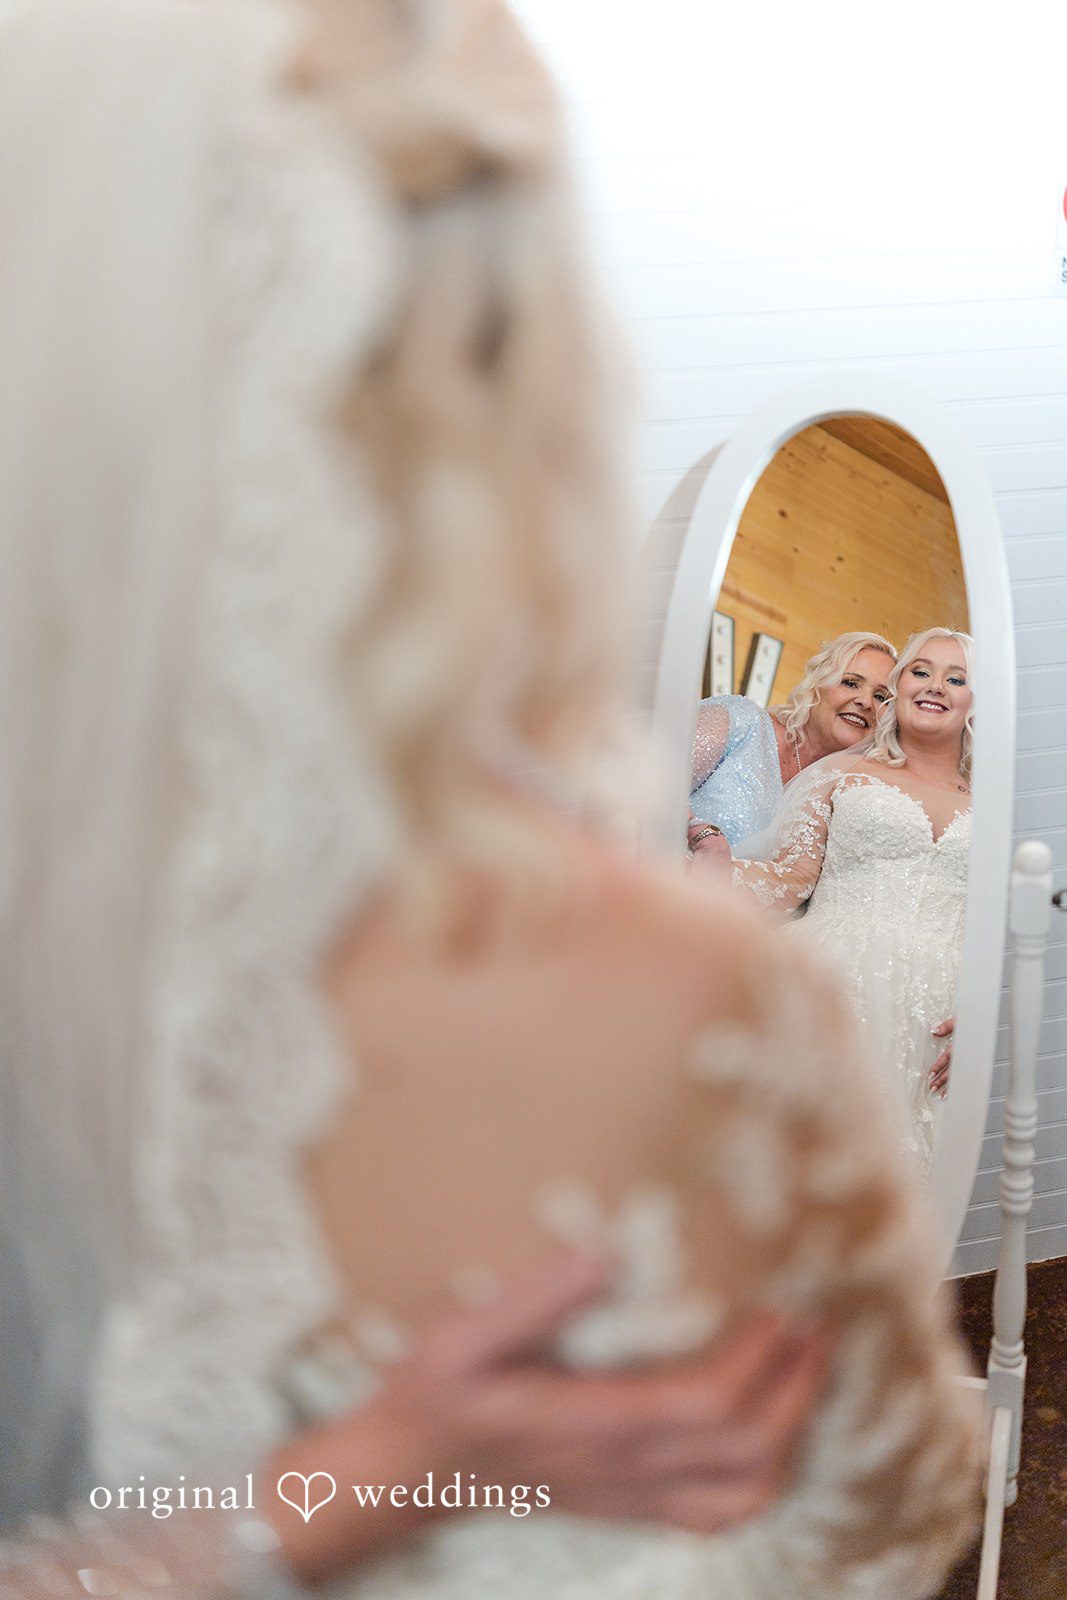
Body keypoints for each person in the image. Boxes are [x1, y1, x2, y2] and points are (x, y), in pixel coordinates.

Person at [0, 3, 981, 1597]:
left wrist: (367, 1483)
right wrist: (410, 1480)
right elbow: (880, 1513)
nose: (886, 697)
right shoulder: (671, 985)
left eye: (914, 680)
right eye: (874, 680)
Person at [724, 629, 974, 1176]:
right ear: (900, 688)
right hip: (832, 986)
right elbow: (790, 879)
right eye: (921, 671)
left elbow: (1006, 929)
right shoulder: (841, 774)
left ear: (976, 702)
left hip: (939, 1017)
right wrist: (705, 865)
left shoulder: (998, 812)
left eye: (956, 678)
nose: (936, 686)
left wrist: (987, 1017)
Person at [688, 632, 895, 849]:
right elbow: (656, 779)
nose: (865, 702)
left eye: (881, 697)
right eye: (851, 683)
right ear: (818, 685)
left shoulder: (848, 798)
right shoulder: (742, 720)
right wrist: (704, 840)